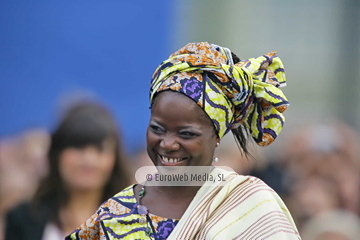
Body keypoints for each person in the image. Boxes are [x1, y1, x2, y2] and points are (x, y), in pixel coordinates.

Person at [66, 42, 300, 239]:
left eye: (186, 134)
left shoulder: (251, 206)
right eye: (158, 129)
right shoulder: (116, 213)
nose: (168, 144)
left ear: (217, 135)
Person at [5, 101, 130, 240]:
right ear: (57, 154)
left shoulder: (136, 222)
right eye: (78, 147)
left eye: (100, 149)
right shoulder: (24, 219)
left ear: (115, 159)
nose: (89, 160)